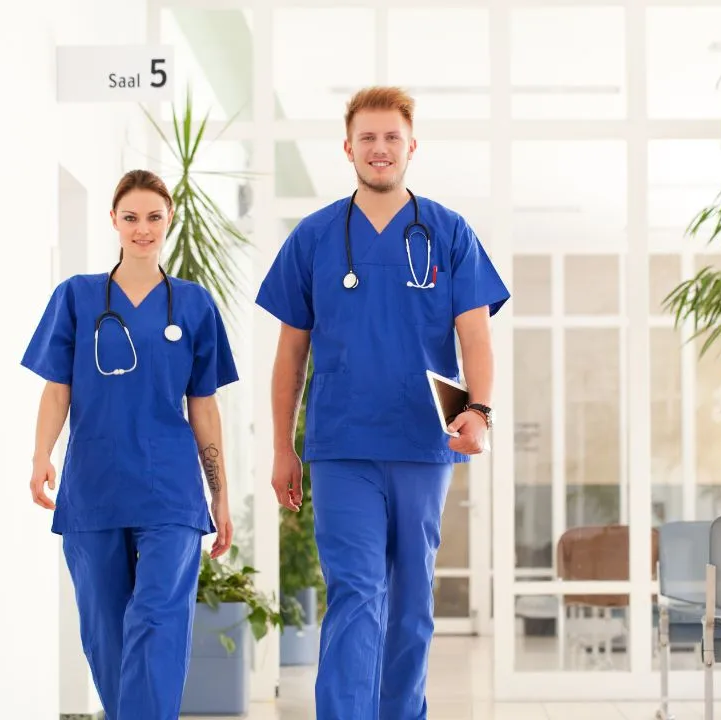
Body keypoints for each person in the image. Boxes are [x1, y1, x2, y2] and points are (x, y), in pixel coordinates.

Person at [256, 86, 511, 719]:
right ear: (347, 148)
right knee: (355, 593)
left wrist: (478, 413)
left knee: (411, 605)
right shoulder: (313, 238)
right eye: (367, 138)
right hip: (342, 446)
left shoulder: (448, 233)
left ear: (411, 147)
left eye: (391, 137)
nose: (379, 149)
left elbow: (475, 335)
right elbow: (289, 356)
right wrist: (283, 448)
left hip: (423, 446)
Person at [21, 169, 238, 720]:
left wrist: (221, 495)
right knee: (104, 630)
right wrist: (42, 454)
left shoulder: (193, 306)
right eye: (131, 217)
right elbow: (57, 389)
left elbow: (204, 408)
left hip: (169, 488)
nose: (143, 229)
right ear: (113, 221)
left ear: (170, 221)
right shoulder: (76, 296)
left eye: (154, 217)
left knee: (159, 618)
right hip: (94, 484)